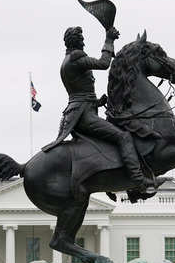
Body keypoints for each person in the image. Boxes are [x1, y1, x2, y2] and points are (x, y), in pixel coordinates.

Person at [42, 24, 154, 197]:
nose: (84, 42)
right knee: (123, 137)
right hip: (83, 115)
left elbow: (79, 92)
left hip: (79, 111)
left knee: (107, 142)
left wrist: (97, 101)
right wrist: (109, 40)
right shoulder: (76, 59)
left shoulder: (67, 61)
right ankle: (138, 182)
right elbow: (103, 63)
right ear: (77, 41)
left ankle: (112, 181)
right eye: (82, 39)